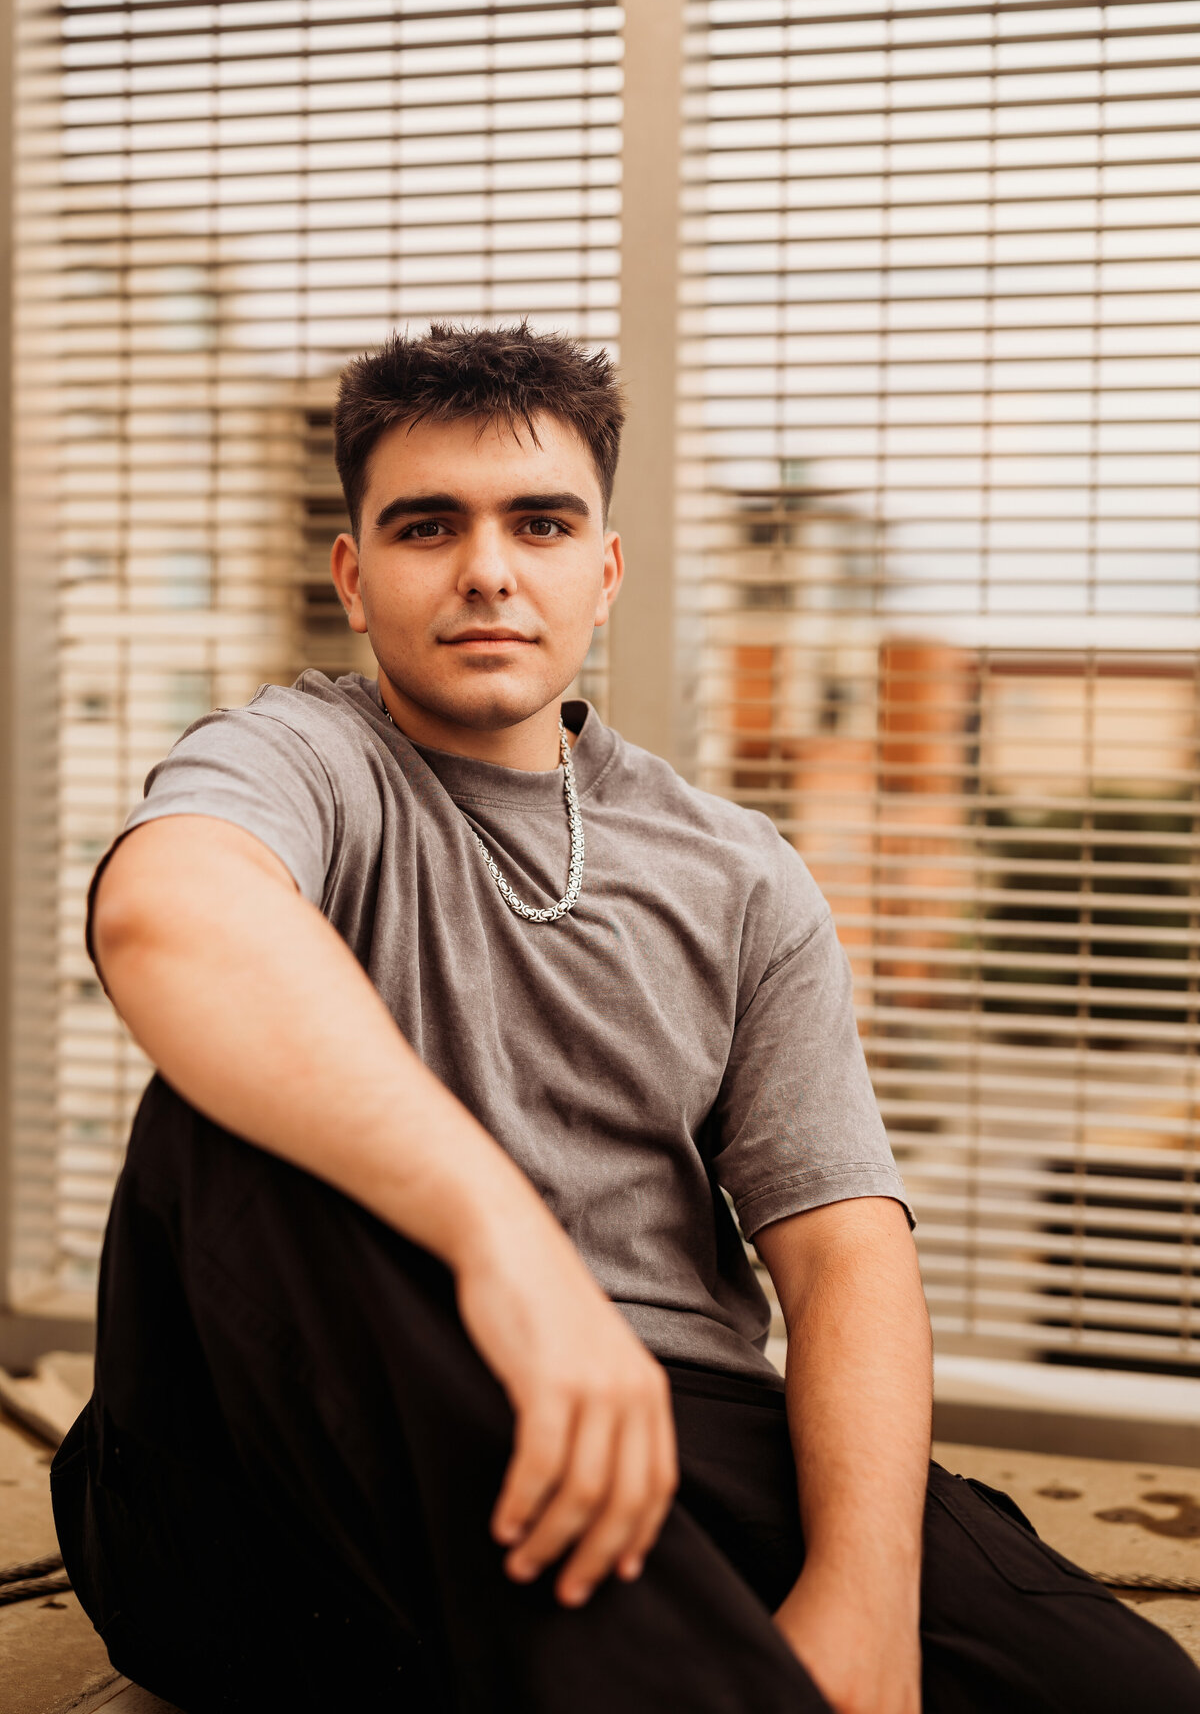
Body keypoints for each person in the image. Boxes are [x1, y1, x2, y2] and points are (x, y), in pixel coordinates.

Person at [52, 323, 1200, 1714]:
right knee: (218, 1110)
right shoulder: (303, 759)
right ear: (353, 578)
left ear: (603, 571)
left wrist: (862, 1589)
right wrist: (510, 1256)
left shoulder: (736, 870)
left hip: (669, 1432)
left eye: (539, 522)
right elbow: (169, 917)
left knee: (1111, 1686)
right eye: (427, 526)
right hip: (274, 1470)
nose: (487, 569)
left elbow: (844, 1256)